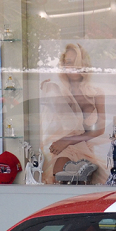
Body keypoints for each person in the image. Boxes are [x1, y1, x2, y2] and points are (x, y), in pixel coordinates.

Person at [41, 43, 108, 184]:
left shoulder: (96, 93)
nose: (73, 67)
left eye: (77, 62)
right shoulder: (57, 90)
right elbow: (49, 125)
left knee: (99, 181)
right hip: (61, 149)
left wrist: (68, 140)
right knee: (62, 180)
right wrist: (47, 90)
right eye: (69, 62)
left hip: (83, 148)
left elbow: (100, 130)